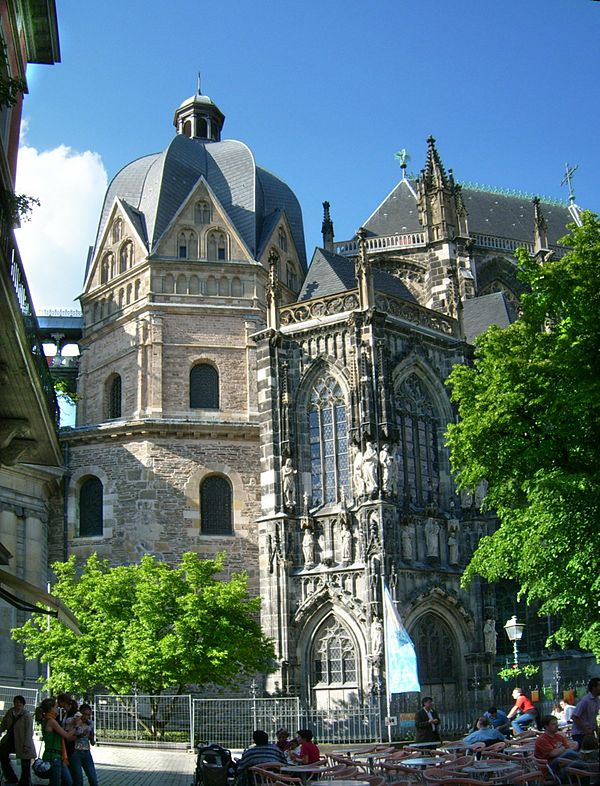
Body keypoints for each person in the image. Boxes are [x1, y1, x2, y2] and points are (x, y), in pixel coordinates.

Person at [37, 697, 76, 786]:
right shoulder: (51, 721)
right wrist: (76, 726)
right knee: (56, 782)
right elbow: (66, 735)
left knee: (68, 781)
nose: (57, 709)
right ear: (50, 709)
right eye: (55, 707)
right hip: (53, 757)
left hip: (57, 756)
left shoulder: (46, 719)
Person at [534, 714, 581, 783]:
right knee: (570, 754)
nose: (557, 726)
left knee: (578, 764)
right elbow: (553, 754)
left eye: (557, 723)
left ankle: (587, 765)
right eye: (553, 724)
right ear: (546, 726)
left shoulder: (559, 737)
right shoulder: (542, 739)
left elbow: (568, 748)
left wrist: (562, 749)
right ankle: (587, 760)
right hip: (549, 767)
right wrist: (563, 748)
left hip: (562, 763)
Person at [0, 695, 35, 786]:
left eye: (20, 702)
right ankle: (11, 777)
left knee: (25, 762)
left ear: (23, 704)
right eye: (16, 702)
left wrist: (26, 744)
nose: (18, 704)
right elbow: (3, 725)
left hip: (22, 741)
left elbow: (29, 731)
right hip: (9, 739)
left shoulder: (27, 715)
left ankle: (24, 782)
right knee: (2, 755)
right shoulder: (10, 712)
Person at [57, 693, 81, 786]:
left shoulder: (75, 713)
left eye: (59, 701)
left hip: (72, 744)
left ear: (63, 702)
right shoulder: (65, 713)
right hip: (65, 743)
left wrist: (73, 734)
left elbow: (79, 728)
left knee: (75, 772)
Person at [570, 676, 600, 750]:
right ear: (594, 687)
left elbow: (593, 717)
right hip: (579, 734)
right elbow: (574, 717)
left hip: (589, 733)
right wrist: (585, 730)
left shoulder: (597, 700)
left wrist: (596, 731)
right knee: (584, 755)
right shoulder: (585, 701)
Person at [71, 705, 97, 786]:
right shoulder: (75, 721)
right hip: (75, 752)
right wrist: (80, 734)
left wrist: (92, 738)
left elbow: (92, 741)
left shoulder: (90, 723)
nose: (86, 717)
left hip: (86, 752)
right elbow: (69, 736)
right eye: (85, 714)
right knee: (78, 779)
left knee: (93, 778)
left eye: (88, 715)